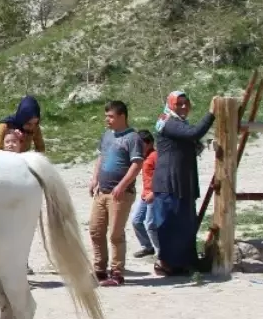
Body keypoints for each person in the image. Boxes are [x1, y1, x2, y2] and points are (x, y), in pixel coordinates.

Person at [151, 90, 215, 276]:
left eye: (186, 103)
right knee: (169, 224)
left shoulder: (179, 123)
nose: (184, 107)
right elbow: (194, 133)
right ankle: (166, 263)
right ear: (171, 105)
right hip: (169, 183)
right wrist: (211, 114)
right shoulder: (167, 121)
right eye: (179, 104)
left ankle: (183, 263)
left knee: (185, 225)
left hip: (183, 182)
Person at [88, 100, 145, 287]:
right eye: (106, 116)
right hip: (102, 191)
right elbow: (101, 157)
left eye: (111, 116)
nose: (107, 120)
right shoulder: (107, 135)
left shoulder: (133, 138)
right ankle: (99, 269)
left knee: (115, 234)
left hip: (120, 193)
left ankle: (117, 272)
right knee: (96, 231)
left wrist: (122, 185)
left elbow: (137, 164)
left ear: (122, 116)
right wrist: (94, 178)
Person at [131, 130, 159, 260]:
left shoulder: (155, 156)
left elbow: (163, 177)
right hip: (144, 195)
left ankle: (160, 252)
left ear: (149, 143)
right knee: (136, 221)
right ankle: (147, 246)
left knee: (151, 224)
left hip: (154, 196)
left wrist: (154, 193)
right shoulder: (142, 157)